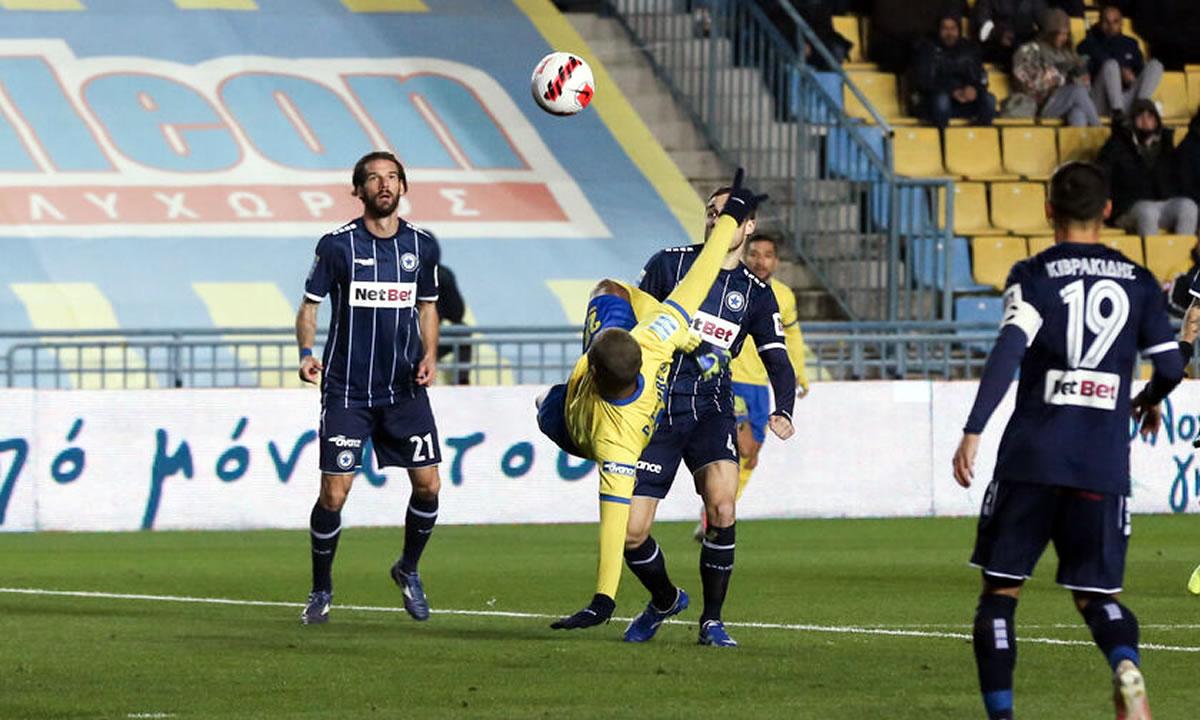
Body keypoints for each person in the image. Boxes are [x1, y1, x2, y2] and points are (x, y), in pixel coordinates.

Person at [952, 161, 1183, 720]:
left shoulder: (1034, 275)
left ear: (1049, 209)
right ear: (1108, 211)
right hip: (1100, 463)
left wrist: (974, 428)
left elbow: (1009, 351)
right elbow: (1171, 367)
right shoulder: (1139, 280)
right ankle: (1125, 665)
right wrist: (1147, 399)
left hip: (1031, 457)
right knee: (1097, 598)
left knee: (1000, 595)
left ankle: (1003, 716)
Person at [537, 168, 768, 632]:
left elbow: (610, 523)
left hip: (598, 406)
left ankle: (701, 615)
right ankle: (667, 600)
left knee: (550, 412)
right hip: (588, 386)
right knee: (614, 296)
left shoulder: (624, 418)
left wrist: (603, 600)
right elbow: (704, 271)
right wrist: (602, 599)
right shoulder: (647, 357)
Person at [619, 184, 798, 648]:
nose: (718, 221)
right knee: (631, 533)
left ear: (748, 227)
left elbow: (778, 359)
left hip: (711, 410)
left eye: (728, 215)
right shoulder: (669, 264)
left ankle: (712, 621)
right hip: (655, 410)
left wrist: (784, 408)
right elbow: (627, 323)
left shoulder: (756, 294)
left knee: (722, 506)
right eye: (712, 213)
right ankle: (664, 599)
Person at [296, 151, 445, 625]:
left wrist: (429, 354)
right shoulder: (337, 245)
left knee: (429, 485)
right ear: (358, 190)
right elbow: (310, 305)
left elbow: (427, 306)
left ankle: (408, 568)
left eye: (393, 177)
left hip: (403, 390)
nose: (385, 185)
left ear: (403, 186)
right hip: (347, 391)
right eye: (375, 178)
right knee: (333, 496)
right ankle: (321, 589)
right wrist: (306, 352)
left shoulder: (422, 246)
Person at [726, 233, 810, 509]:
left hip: (761, 384)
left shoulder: (783, 296)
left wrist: (799, 373)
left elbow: (792, 336)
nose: (760, 261)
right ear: (744, 256)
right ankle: (718, 509)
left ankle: (719, 511)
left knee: (751, 457)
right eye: (754, 254)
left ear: (776, 261)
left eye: (767, 255)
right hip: (730, 378)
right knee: (744, 447)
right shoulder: (731, 286)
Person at [1098, 99, 1198, 236]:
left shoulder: (1166, 144)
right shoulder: (1116, 145)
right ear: (1132, 120)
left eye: (1150, 116)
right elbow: (1103, 174)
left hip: (1162, 204)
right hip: (1127, 207)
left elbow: (1179, 177)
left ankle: (1182, 250)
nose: (1146, 120)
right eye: (1141, 116)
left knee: (1188, 207)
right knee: (1148, 212)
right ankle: (1152, 251)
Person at [1005, 9, 1100, 126]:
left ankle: (1083, 137)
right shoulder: (1029, 50)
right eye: (1061, 34)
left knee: (1078, 111)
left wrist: (1079, 73)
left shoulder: (1067, 53)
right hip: (1040, 105)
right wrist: (1058, 75)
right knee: (1077, 92)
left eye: (1066, 34)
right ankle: (1099, 129)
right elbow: (1027, 82)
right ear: (1049, 33)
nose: (1064, 38)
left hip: (1064, 102)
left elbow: (1085, 87)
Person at [911, 11, 996, 128]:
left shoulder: (969, 49)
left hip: (965, 101)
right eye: (945, 29)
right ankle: (941, 136)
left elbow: (981, 76)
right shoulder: (927, 49)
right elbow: (924, 82)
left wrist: (974, 88)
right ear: (938, 30)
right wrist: (952, 91)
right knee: (942, 101)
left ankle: (977, 135)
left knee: (989, 100)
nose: (949, 33)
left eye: (953, 28)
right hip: (936, 101)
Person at [1077, 3, 1163, 120]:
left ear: (1121, 23)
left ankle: (1141, 107)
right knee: (1111, 65)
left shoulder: (1131, 43)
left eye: (1115, 21)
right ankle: (1117, 114)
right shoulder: (1088, 44)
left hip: (1126, 99)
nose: (1111, 26)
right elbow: (1086, 71)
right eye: (1106, 22)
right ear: (1100, 23)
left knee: (1156, 65)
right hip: (1100, 101)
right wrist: (1121, 70)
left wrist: (1132, 78)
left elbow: (1140, 71)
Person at [434, 265, 472, 385]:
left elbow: (457, 313)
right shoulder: (442, 274)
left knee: (462, 331)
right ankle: (461, 381)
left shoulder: (397, 271)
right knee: (462, 331)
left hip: (407, 339)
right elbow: (456, 314)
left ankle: (461, 381)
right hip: (415, 339)